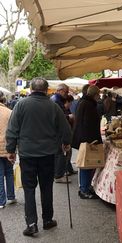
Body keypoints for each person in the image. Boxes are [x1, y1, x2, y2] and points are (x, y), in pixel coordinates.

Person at [6, 78, 72, 236]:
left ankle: (32, 224)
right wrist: (66, 143)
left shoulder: (21, 105)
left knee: (29, 189)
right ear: (46, 90)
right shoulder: (53, 106)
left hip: (27, 154)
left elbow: (12, 129)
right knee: (46, 187)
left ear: (31, 89)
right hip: (48, 153)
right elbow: (65, 128)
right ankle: (48, 220)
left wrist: (10, 150)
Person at [72, 85, 102, 199]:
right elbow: (89, 125)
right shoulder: (88, 105)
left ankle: (85, 187)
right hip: (87, 139)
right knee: (86, 165)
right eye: (98, 94)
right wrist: (94, 141)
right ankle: (84, 189)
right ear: (95, 94)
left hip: (83, 138)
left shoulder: (83, 102)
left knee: (87, 165)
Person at [51, 83, 71, 183]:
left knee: (58, 153)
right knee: (59, 153)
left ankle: (59, 173)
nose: (67, 94)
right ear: (60, 90)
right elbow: (59, 117)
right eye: (66, 92)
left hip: (56, 131)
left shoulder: (56, 99)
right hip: (57, 131)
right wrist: (68, 117)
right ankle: (58, 175)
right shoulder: (55, 100)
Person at [0, 91, 16, 209]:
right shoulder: (10, 112)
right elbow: (14, 131)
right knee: (9, 172)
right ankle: (11, 196)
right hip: (8, 147)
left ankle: (1, 201)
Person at [64, 95, 77, 176]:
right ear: (67, 102)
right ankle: (66, 170)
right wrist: (69, 117)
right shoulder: (63, 110)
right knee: (67, 153)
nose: (71, 104)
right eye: (70, 103)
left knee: (69, 152)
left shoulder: (67, 109)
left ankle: (69, 169)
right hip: (65, 134)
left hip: (69, 132)